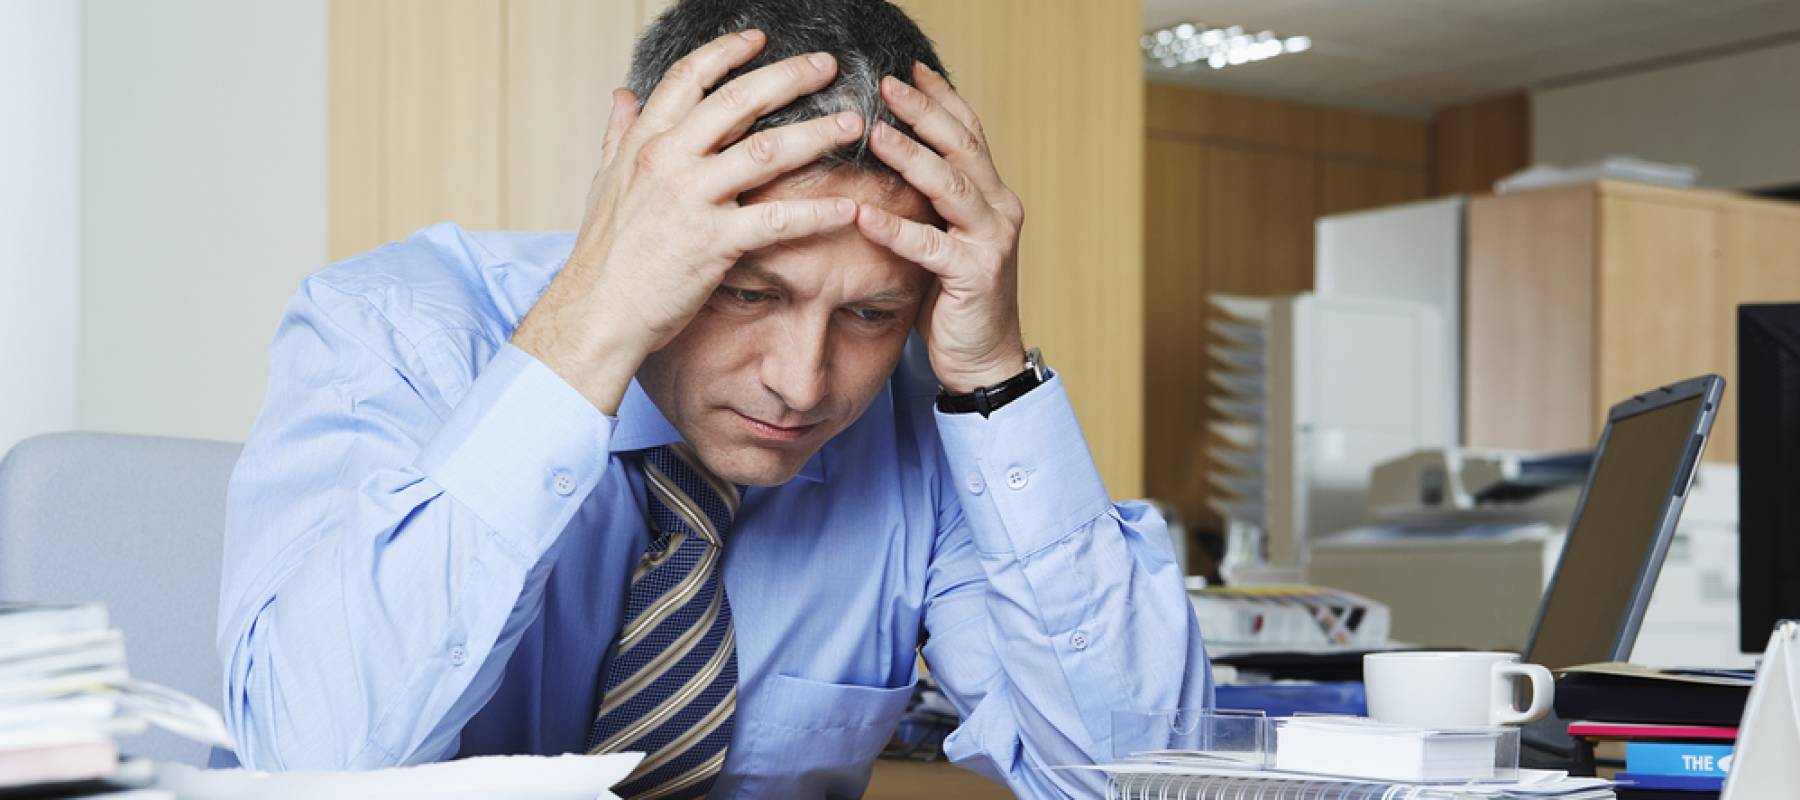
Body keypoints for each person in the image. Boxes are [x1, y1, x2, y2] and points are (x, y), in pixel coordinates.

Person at [215, 0, 1210, 796]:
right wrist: (592, 323)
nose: (801, 381)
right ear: (632, 191)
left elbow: (1131, 781)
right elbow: (309, 763)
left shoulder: (921, 422)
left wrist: (995, 376)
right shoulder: (389, 331)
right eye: (746, 292)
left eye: (870, 314)